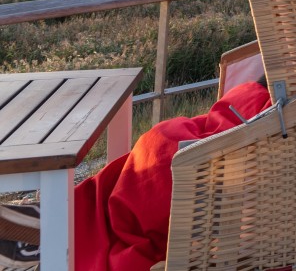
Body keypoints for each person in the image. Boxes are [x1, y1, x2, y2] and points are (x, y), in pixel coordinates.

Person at [0, 80, 271, 271]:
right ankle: (51, 224)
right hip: (258, 114)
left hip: (266, 139)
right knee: (153, 156)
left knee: (166, 161)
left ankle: (50, 231)